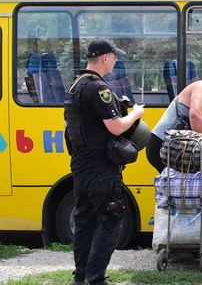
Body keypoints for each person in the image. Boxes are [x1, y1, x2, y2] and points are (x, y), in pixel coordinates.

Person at [64, 38, 145, 285]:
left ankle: (80, 277)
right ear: (105, 58)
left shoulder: (75, 86)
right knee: (111, 220)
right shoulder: (99, 88)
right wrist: (136, 114)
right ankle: (96, 278)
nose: (116, 60)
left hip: (80, 166)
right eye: (114, 56)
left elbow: (68, 126)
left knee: (85, 221)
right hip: (102, 168)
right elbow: (116, 127)